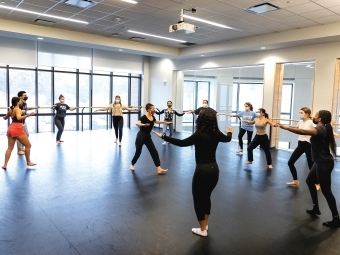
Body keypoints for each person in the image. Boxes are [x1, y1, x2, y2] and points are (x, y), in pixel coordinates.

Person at [153, 108, 233, 237]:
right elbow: (228, 139)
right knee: (206, 197)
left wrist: (163, 136)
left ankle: (202, 230)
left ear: (201, 120)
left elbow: (181, 143)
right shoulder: (216, 133)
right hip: (214, 170)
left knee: (198, 200)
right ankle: (205, 225)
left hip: (202, 171)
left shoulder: (199, 135)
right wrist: (230, 132)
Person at [277, 110, 340, 228]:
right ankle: (316, 208)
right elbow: (301, 128)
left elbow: (303, 131)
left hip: (324, 163)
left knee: (326, 191)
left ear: (320, 119)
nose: (314, 117)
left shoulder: (320, 129)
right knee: (309, 181)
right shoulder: (324, 127)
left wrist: (285, 128)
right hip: (320, 162)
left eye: (316, 116)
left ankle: (336, 219)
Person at [130, 103, 171, 174]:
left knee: (154, 151)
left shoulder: (152, 116)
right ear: (149, 110)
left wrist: (165, 122)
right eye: (153, 109)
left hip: (148, 137)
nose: (154, 110)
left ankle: (158, 168)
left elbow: (156, 121)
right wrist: (144, 124)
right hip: (141, 136)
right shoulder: (144, 117)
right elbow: (137, 123)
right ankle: (132, 163)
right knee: (138, 152)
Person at [286, 107, 319, 189]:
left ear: (307, 114)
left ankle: (317, 183)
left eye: (301, 113)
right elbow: (297, 127)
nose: (300, 114)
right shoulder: (300, 121)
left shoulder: (311, 122)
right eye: (299, 112)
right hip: (300, 145)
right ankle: (295, 180)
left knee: (311, 165)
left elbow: (319, 129)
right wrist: (286, 126)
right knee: (290, 162)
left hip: (308, 145)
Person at [2, 97, 36, 169]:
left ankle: (5, 165)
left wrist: (5, 116)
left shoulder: (11, 110)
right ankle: (28, 162)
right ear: (17, 102)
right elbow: (19, 118)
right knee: (28, 145)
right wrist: (28, 115)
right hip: (17, 128)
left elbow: (5, 117)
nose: (21, 102)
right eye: (20, 101)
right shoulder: (17, 110)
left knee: (10, 148)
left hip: (10, 128)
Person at [3, 91, 39, 155]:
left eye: (26, 95)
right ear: (20, 98)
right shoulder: (19, 106)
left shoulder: (23, 104)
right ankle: (20, 150)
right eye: (24, 95)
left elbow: (25, 109)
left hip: (21, 123)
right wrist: (28, 115)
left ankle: (21, 148)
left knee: (26, 135)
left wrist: (34, 107)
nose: (26, 96)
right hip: (18, 124)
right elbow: (19, 116)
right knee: (20, 138)